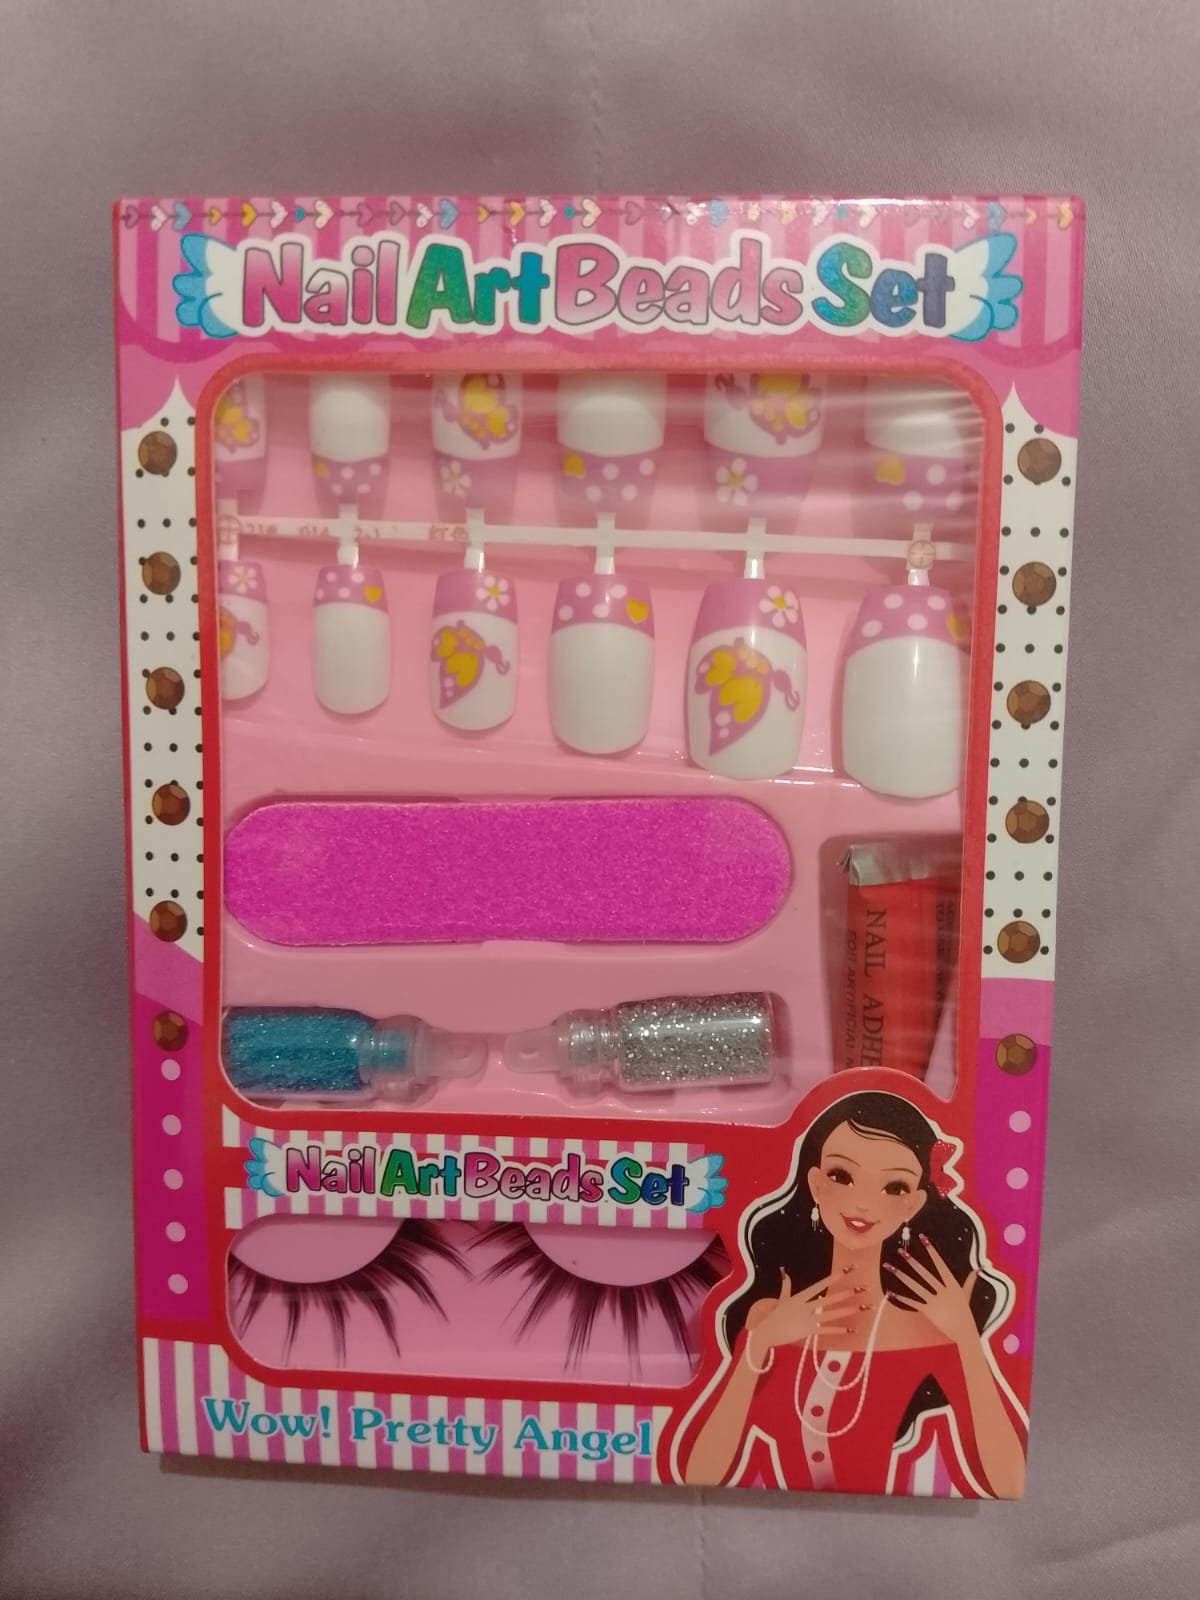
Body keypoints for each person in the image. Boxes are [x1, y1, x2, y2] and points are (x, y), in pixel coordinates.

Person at [673, 1091, 1026, 1496]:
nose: (862, 1203)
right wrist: (760, 1345)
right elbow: (701, 1470)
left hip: (877, 1524)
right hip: (768, 1518)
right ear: (816, 1184)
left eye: (894, 1187)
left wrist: (967, 1340)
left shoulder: (925, 1332)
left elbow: (1005, 1481)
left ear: (913, 1205)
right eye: (842, 1176)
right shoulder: (770, 1317)